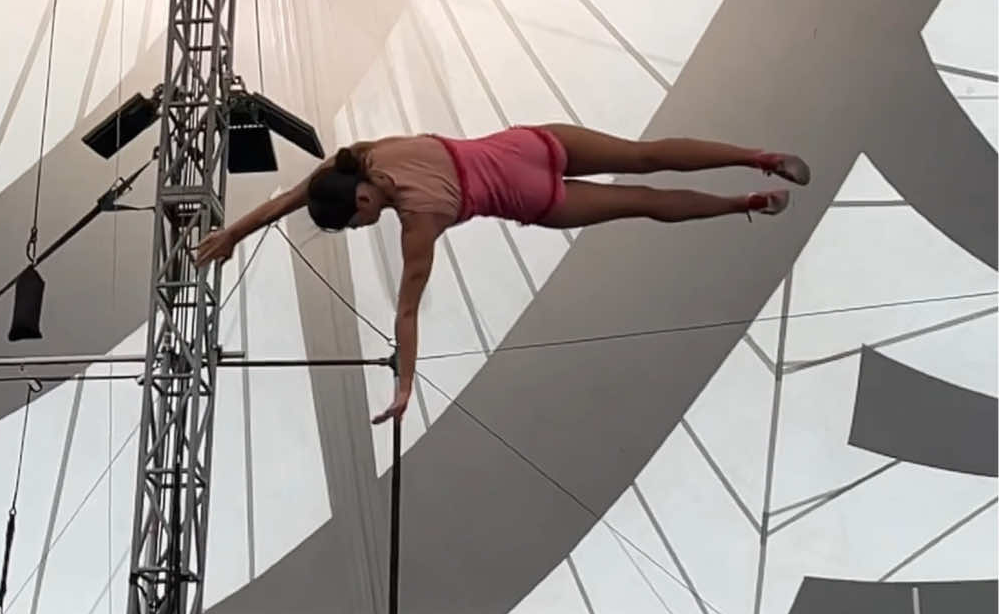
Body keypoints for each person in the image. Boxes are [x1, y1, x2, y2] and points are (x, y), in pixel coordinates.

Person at [195, 127, 810, 424]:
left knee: (640, 202)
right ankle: (760, 158)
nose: (363, 231)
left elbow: (406, 312)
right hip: (532, 145)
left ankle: (744, 206)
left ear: (361, 205)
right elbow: (292, 196)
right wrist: (233, 234)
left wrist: (405, 385)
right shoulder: (364, 154)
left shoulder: (419, 221)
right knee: (642, 155)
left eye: (358, 226)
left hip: (536, 198)